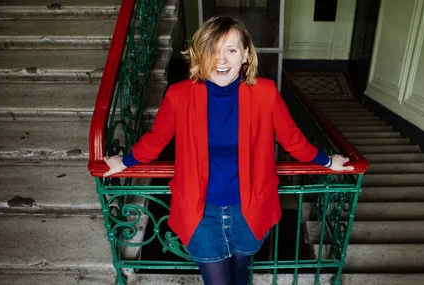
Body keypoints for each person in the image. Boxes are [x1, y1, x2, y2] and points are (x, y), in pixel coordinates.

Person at [103, 16, 354, 285]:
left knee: (240, 275)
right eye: (212, 49)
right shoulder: (179, 95)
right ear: (200, 53)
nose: (221, 60)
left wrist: (328, 161)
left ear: (245, 54)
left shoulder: (266, 93)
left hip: (249, 209)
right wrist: (125, 162)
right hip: (201, 213)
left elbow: (292, 140)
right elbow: (156, 139)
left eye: (230, 50)